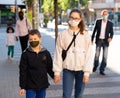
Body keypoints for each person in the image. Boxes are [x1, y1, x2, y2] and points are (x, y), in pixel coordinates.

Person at [53, 9, 93, 98]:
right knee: (66, 95)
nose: (73, 20)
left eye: (76, 18)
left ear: (80, 20)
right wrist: (57, 72)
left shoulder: (85, 35)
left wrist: (87, 72)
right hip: (68, 69)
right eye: (71, 17)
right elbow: (58, 53)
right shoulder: (63, 34)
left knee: (79, 95)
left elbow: (89, 54)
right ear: (68, 18)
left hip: (81, 70)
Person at [19, 29, 54, 98]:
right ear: (28, 40)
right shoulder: (25, 54)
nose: (33, 41)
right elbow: (23, 71)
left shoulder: (46, 53)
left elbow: (49, 67)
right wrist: (22, 86)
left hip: (42, 84)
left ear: (40, 39)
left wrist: (54, 76)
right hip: (30, 85)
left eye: (35, 39)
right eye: (31, 39)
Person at [91, 9, 114, 75]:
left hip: (105, 41)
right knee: (97, 55)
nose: (105, 15)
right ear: (102, 15)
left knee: (105, 56)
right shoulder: (98, 22)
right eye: (104, 14)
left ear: (108, 15)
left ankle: (102, 69)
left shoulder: (110, 23)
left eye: (106, 14)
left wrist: (110, 37)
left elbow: (112, 33)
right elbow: (94, 31)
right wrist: (92, 40)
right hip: (99, 40)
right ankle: (95, 66)